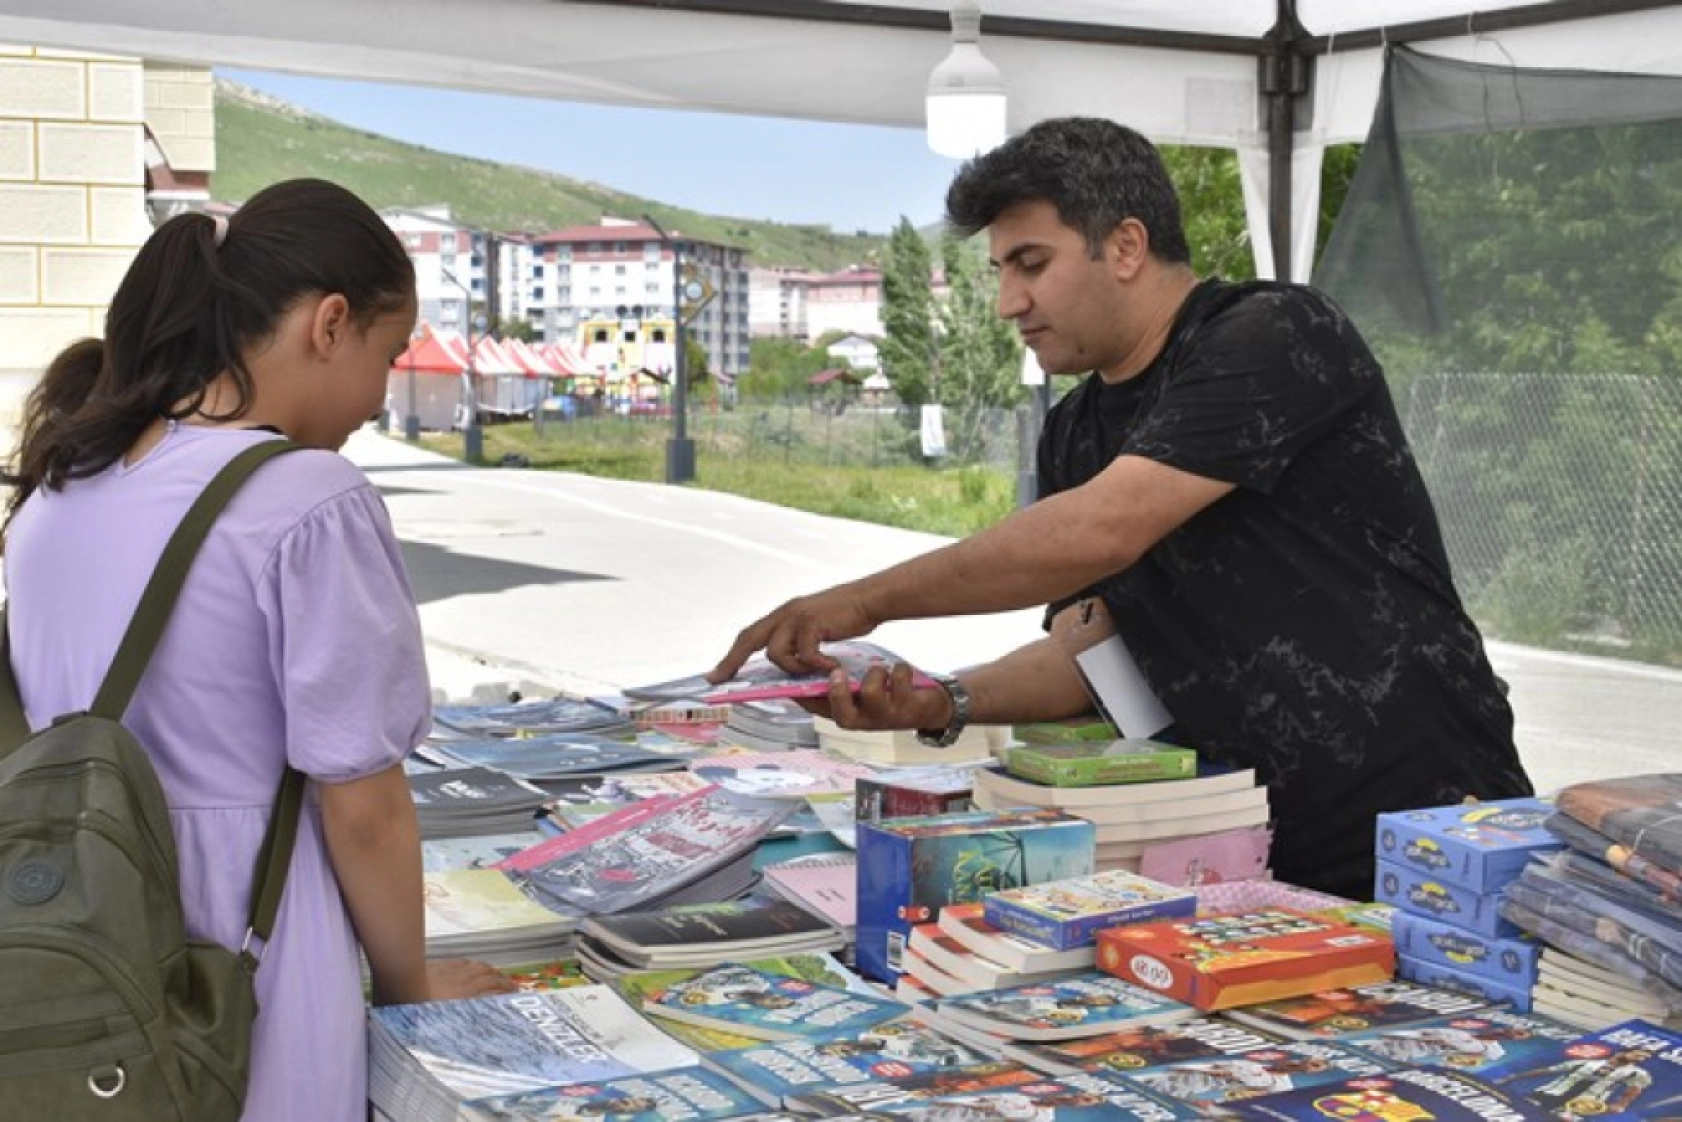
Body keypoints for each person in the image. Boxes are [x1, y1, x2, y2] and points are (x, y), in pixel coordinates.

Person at [710, 117, 1533, 900]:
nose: (1008, 302)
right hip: (1238, 856)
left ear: (1128, 246)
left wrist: (861, 601)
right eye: (1000, 270)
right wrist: (941, 702)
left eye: (1030, 263)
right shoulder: (1074, 430)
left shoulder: (1274, 331)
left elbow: (1103, 529)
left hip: (1426, 828)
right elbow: (1095, 653)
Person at [1, 179, 514, 1122]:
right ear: (330, 324)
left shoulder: (59, 488)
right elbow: (363, 807)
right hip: (251, 949)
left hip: (77, 943)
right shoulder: (310, 500)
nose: (378, 396)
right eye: (389, 354)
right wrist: (408, 987)